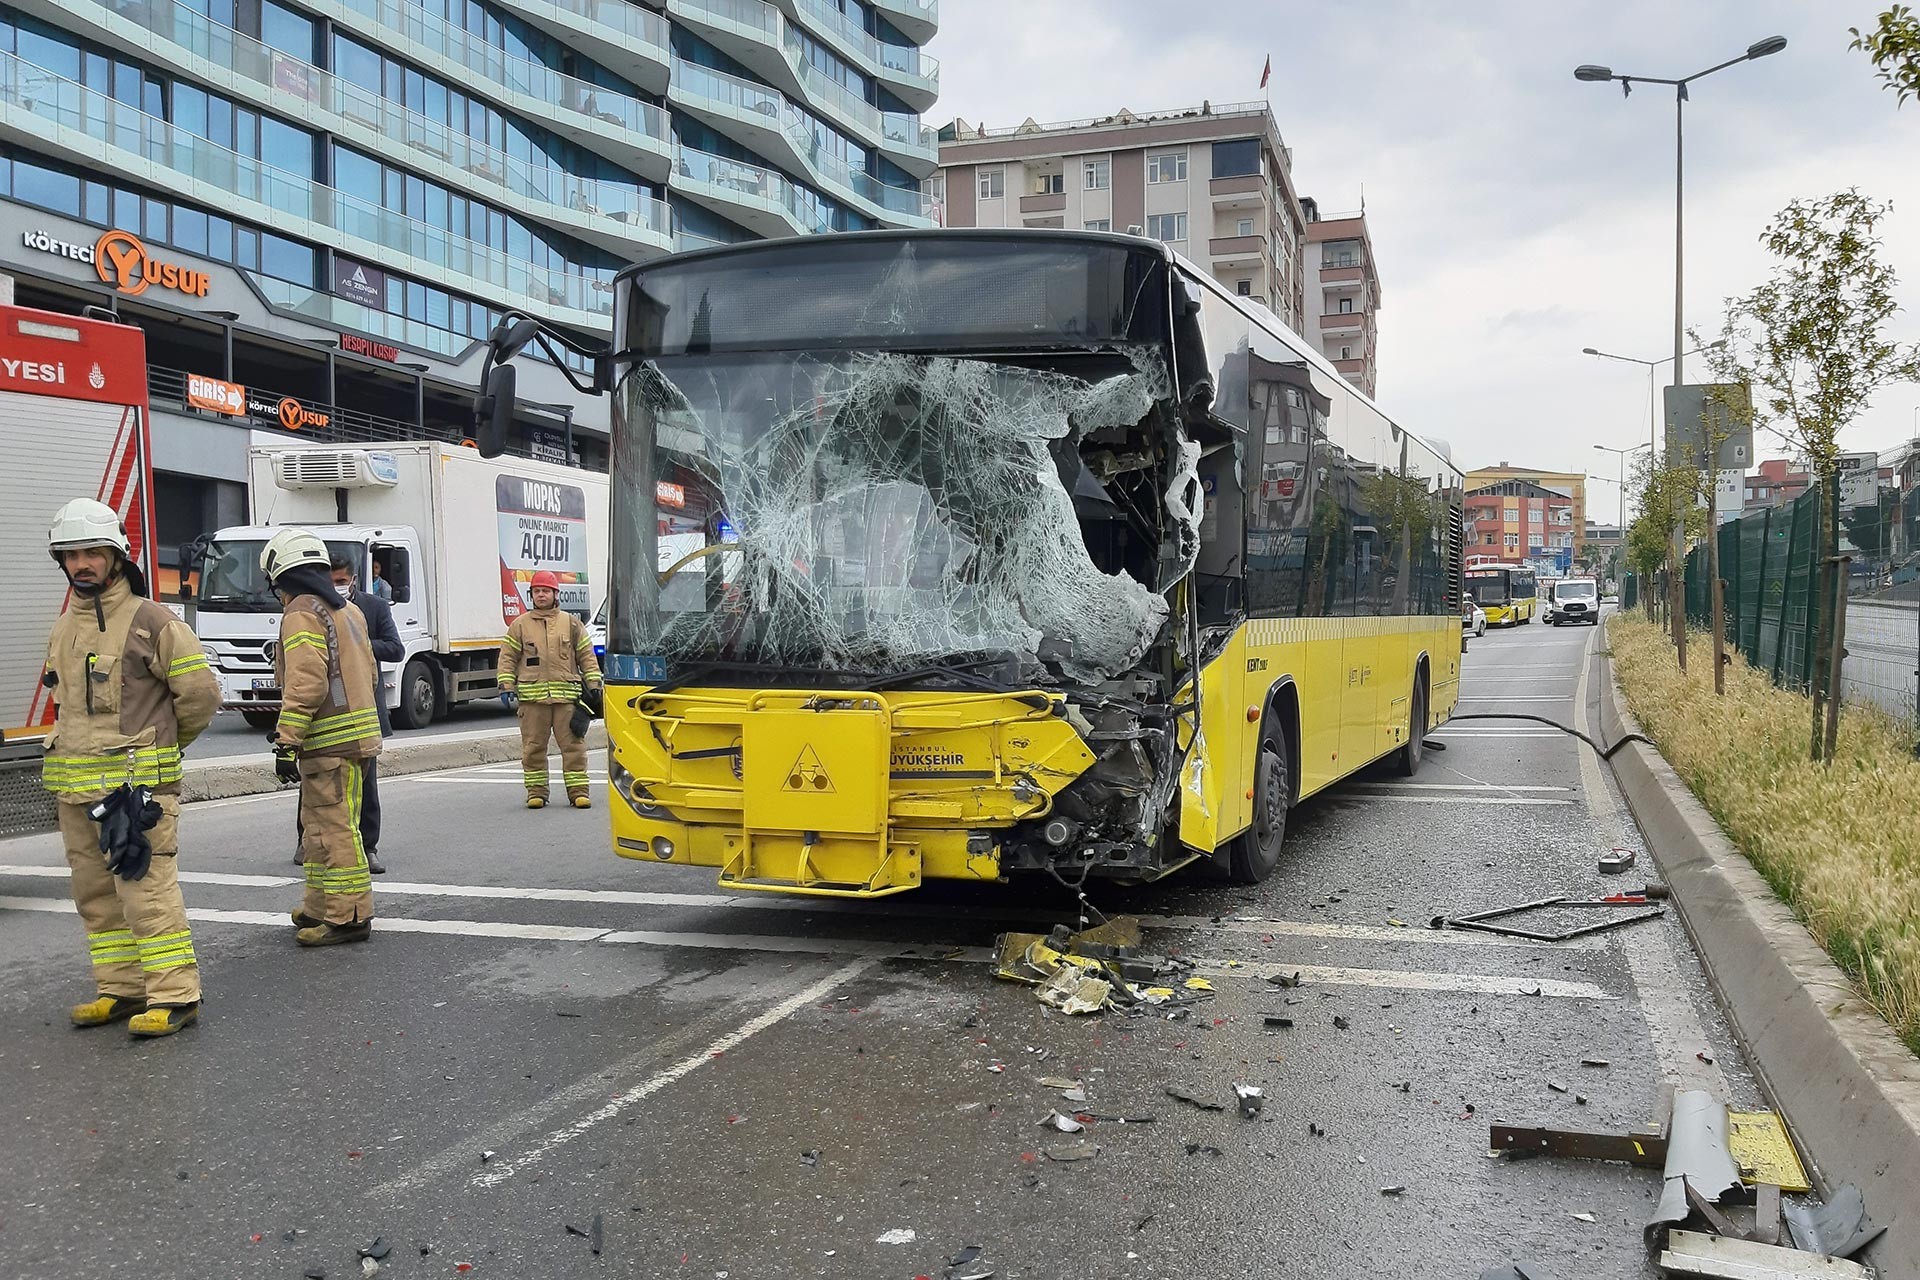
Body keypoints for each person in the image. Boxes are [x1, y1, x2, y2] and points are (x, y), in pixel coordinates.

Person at [41, 497, 219, 1037]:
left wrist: (162, 749)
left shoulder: (152, 621)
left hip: (135, 790)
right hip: (75, 789)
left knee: (146, 893)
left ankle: (175, 996)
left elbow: (200, 696)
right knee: (96, 898)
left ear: (117, 555)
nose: (82, 564)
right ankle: (119, 989)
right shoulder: (63, 626)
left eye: (92, 552)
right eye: (71, 555)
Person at [261, 528, 382, 947]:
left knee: (335, 829)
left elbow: (307, 682)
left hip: (327, 740)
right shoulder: (347, 610)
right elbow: (366, 671)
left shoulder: (300, 614)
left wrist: (287, 739)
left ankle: (349, 916)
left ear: (282, 578)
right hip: (350, 736)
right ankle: (320, 905)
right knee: (318, 828)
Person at [292, 555, 402, 873]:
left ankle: (368, 847)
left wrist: (358, 642)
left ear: (353, 579)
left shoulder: (373, 608)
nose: (336, 587)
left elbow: (395, 648)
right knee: (313, 782)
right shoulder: (310, 610)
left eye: (341, 580)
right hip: (325, 712)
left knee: (366, 786)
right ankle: (306, 842)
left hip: (364, 710)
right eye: (331, 581)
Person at [498, 570, 601, 809]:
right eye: (536, 591)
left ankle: (578, 792)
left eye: (545, 591)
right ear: (531, 595)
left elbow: (587, 656)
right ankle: (536, 793)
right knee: (533, 748)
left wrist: (594, 684)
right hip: (533, 702)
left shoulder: (571, 624)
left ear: (556, 594)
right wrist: (506, 685)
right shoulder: (520, 626)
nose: (541, 595)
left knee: (573, 747)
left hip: (566, 700)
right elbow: (507, 658)